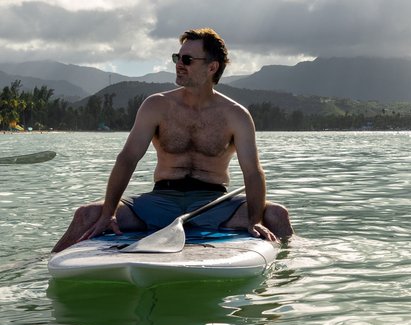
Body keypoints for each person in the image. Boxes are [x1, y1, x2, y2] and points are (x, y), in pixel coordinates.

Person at [52, 28, 293, 253]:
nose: (179, 65)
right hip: (158, 202)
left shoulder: (235, 115)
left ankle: (286, 274)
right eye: (177, 57)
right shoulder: (156, 105)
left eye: (187, 60)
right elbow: (127, 159)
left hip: (214, 204)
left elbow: (253, 172)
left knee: (277, 215)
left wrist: (255, 220)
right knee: (87, 214)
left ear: (212, 67)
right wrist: (108, 213)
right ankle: (46, 266)